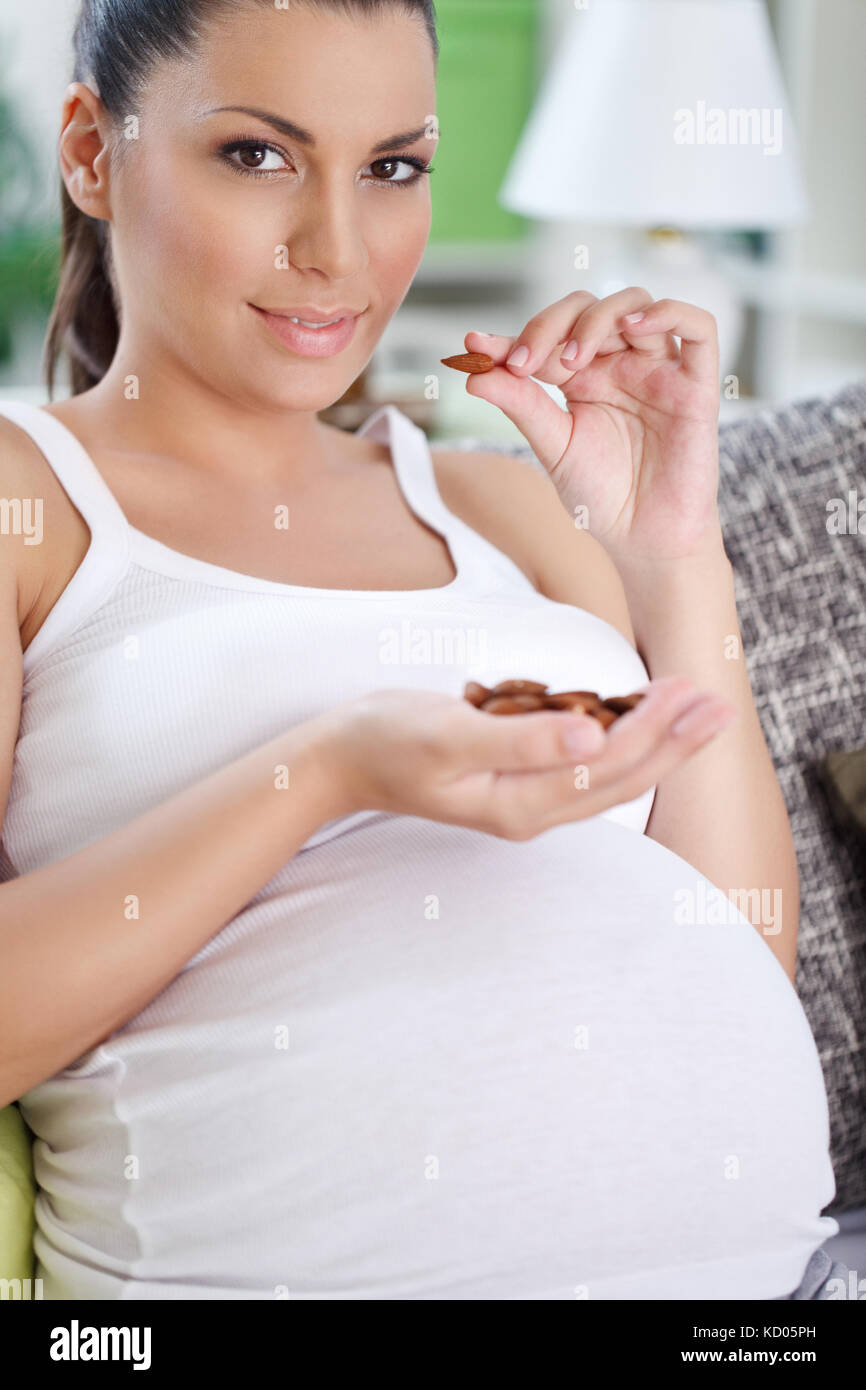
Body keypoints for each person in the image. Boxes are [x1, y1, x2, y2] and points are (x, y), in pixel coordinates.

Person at [0, 0, 842, 1299]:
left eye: (391, 167)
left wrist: (676, 564)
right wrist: (332, 769)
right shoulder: (31, 506)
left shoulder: (506, 505)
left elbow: (735, 956)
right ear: (91, 150)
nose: (336, 249)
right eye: (257, 155)